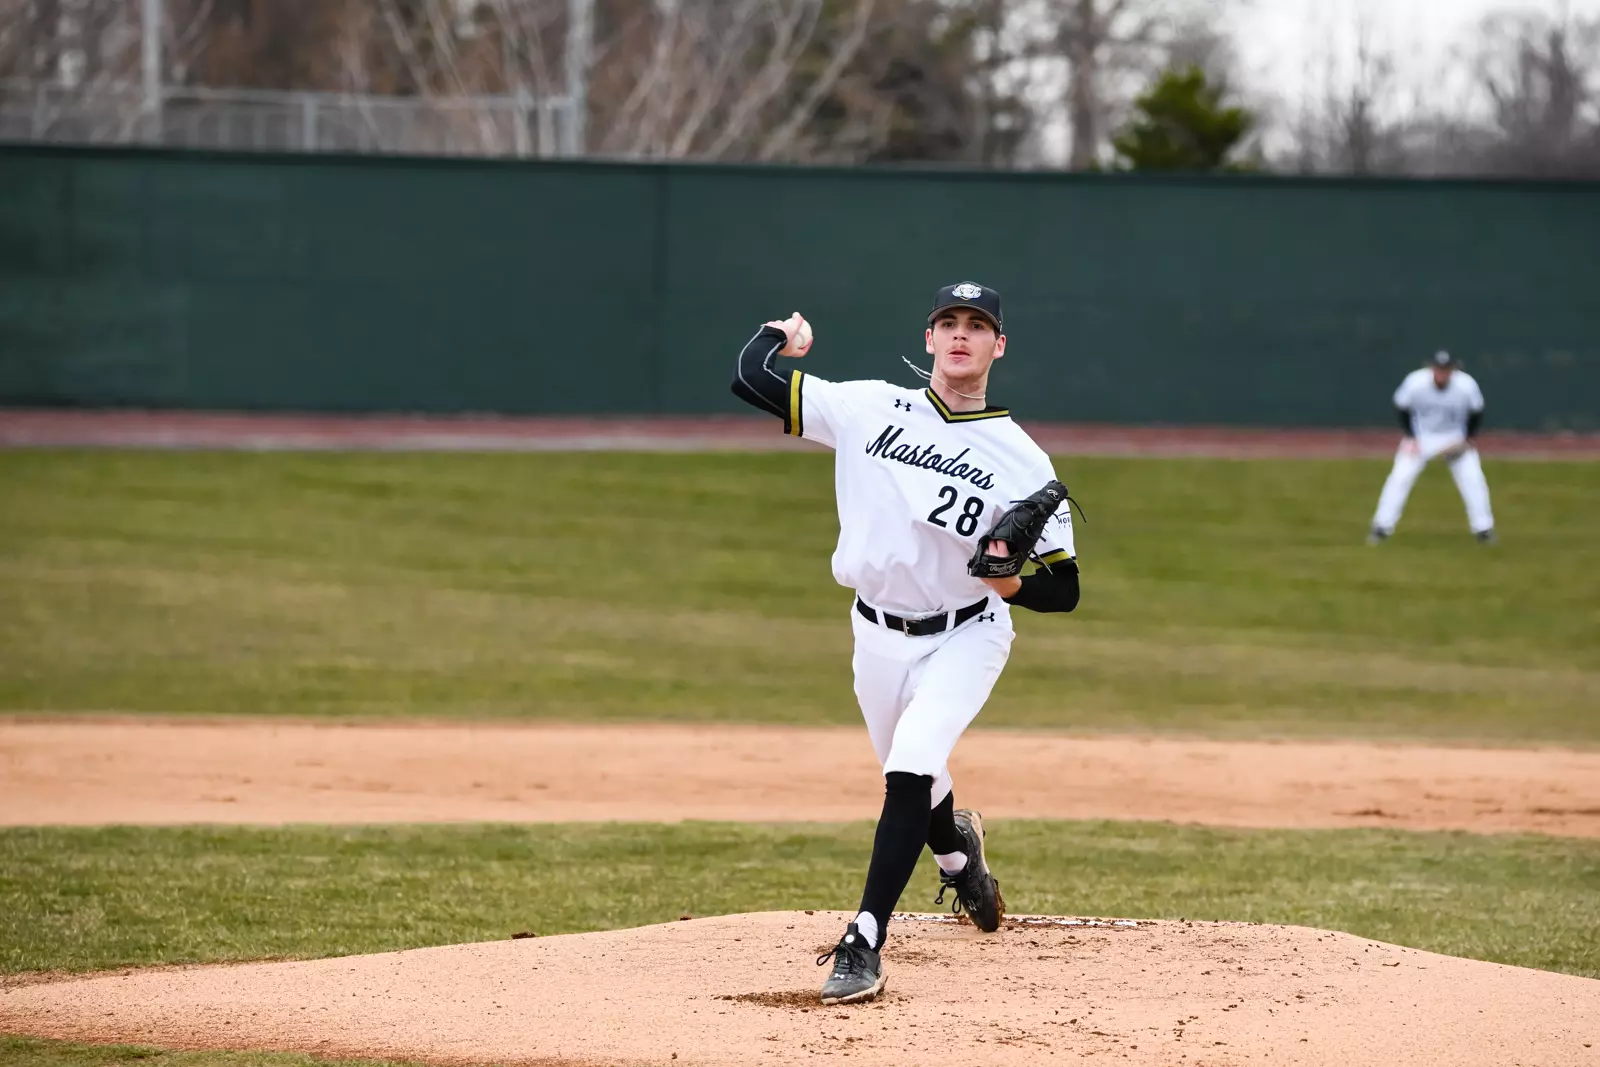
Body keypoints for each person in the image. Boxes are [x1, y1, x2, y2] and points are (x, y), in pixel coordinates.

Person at [729, 282, 1082, 1005]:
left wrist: (1010, 580)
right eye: (948, 322)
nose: (961, 335)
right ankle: (959, 856)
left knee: (909, 768)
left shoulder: (1023, 458)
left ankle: (864, 940)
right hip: (875, 634)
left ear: (998, 346)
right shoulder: (868, 406)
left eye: (976, 326)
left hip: (968, 634)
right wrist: (778, 334)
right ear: (929, 339)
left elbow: (1066, 587)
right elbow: (750, 377)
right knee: (911, 776)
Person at [1368, 350, 1496, 545]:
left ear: (1453, 370)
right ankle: (1381, 527)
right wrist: (1411, 437)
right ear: (1432, 369)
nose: (1442, 373)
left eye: (1446, 369)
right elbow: (1401, 407)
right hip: (1422, 437)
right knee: (1399, 478)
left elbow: (1476, 411)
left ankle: (1483, 529)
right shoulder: (1416, 382)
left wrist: (1469, 439)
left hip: (1455, 438)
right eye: (1438, 369)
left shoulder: (1466, 385)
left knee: (1474, 480)